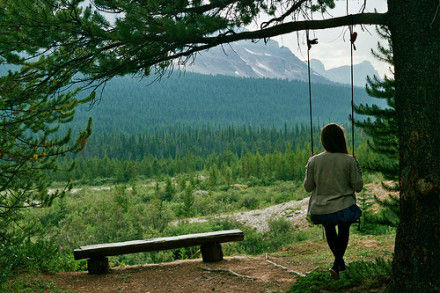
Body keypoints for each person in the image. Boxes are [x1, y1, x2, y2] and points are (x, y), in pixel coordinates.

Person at [303, 123, 363, 280]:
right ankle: (337, 264)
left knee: (329, 227)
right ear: (341, 139)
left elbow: (308, 187)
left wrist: (309, 167)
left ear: (324, 141)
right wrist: (357, 166)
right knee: (344, 226)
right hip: (343, 208)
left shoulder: (314, 161)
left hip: (320, 210)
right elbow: (358, 187)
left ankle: (339, 264)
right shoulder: (349, 160)